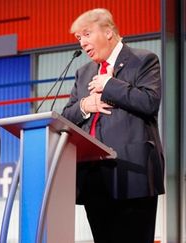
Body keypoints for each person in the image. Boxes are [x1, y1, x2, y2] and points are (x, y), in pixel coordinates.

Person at [62, 8, 165, 243]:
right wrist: (85, 106)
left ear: (108, 31)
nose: (82, 43)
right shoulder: (83, 72)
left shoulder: (143, 60)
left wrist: (110, 85)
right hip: (94, 178)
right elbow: (67, 115)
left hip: (133, 174)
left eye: (86, 34)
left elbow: (149, 102)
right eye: (78, 38)